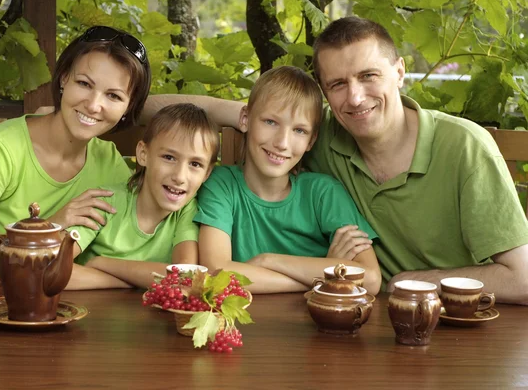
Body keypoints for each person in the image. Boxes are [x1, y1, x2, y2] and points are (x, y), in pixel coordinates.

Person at [144, 17, 528, 304]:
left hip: (443, 311)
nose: (356, 98)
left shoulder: (464, 146)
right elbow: (210, 111)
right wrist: (110, 108)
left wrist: (408, 280)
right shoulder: (317, 130)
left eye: (369, 76)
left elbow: (523, 280)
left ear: (399, 72)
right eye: (338, 84)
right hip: (346, 302)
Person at [0, 26, 151, 289]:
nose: (93, 105)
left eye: (113, 96)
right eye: (84, 84)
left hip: (57, 307)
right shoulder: (6, 146)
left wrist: (112, 278)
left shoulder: (109, 163)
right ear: (63, 79)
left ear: (129, 107)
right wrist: (48, 229)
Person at [193, 66, 381, 295]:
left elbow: (370, 279)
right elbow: (217, 272)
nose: (282, 142)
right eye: (271, 122)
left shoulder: (323, 193)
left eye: (299, 131)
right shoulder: (222, 185)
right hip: (240, 326)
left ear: (311, 141)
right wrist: (322, 278)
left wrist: (267, 261)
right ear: (245, 119)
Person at [68, 103, 219, 289]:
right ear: (143, 154)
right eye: (169, 157)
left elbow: (184, 278)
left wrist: (103, 264)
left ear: (207, 173)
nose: (180, 176)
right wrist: (128, 282)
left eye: (195, 164)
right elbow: (52, 272)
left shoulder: (187, 211)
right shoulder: (104, 202)